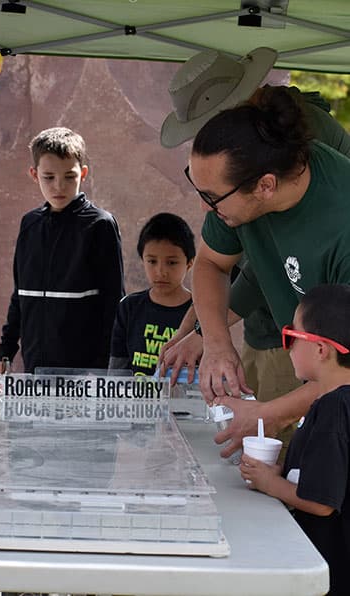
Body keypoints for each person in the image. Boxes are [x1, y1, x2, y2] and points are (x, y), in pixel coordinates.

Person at [159, 47, 350, 457]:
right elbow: (211, 262)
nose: (206, 207)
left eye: (212, 197)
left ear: (265, 185)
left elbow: (345, 376)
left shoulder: (342, 223)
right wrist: (213, 341)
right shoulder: (241, 181)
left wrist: (268, 414)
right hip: (308, 356)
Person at [0, 126, 124, 385]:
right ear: (34, 174)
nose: (58, 186)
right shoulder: (29, 225)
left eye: (69, 176)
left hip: (84, 372)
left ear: (83, 174)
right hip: (34, 368)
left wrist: (101, 369)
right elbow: (20, 296)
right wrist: (5, 352)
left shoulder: (100, 225)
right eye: (49, 177)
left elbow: (113, 302)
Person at [240, 284, 350, 595]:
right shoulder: (337, 402)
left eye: (291, 337)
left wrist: (267, 482)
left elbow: (321, 502)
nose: (286, 347)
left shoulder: (333, 409)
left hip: (329, 569)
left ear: (320, 349)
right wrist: (282, 472)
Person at [109, 212, 194, 376]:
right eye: (152, 261)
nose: (161, 272)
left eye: (172, 262)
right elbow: (117, 370)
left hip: (181, 400)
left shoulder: (199, 311)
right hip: (134, 401)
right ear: (142, 259)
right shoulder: (129, 307)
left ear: (189, 263)